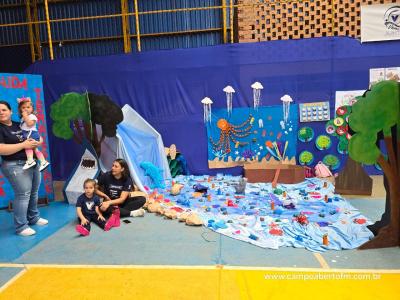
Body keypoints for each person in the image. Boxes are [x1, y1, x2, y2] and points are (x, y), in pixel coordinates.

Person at [0, 100, 48, 236]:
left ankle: (33, 217)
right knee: (23, 195)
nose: (1, 112)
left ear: (11, 112)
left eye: (4, 109)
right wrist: (23, 145)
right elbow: (1, 149)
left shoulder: (19, 124)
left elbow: (34, 133)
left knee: (33, 192)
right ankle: (21, 226)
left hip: (32, 161)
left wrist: (39, 141)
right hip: (14, 164)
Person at [17, 97, 50, 171]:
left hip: (31, 133)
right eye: (23, 107)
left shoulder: (32, 116)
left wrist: (25, 116)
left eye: (28, 107)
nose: (25, 109)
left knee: (27, 147)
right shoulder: (23, 118)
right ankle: (43, 162)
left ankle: (30, 161)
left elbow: (29, 124)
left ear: (32, 109)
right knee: (35, 150)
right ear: (20, 110)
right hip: (28, 133)